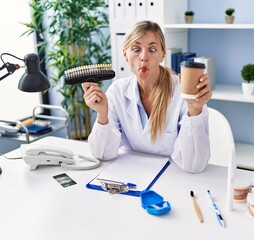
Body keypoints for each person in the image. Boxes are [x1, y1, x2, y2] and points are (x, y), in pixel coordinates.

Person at [82, 20, 212, 173]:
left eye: (152, 49)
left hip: (173, 177)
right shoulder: (117, 91)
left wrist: (194, 110)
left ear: (162, 54)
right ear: (125, 54)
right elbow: (103, 154)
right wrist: (102, 115)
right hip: (133, 174)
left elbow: (195, 165)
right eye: (136, 49)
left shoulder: (182, 92)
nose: (144, 57)